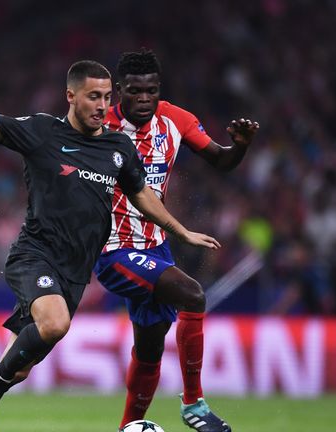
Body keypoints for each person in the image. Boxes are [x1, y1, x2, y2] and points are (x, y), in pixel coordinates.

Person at [0, 41, 221, 432]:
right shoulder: (42, 131)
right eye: (94, 97)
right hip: (35, 256)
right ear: (71, 96)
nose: (102, 106)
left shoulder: (117, 147)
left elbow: (143, 196)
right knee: (56, 324)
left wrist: (180, 231)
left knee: (20, 366)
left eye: (107, 97)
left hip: (75, 273)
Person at [94, 48, 259, 432]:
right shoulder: (100, 125)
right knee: (193, 294)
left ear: (158, 89)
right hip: (114, 248)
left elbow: (221, 160)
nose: (144, 99)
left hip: (154, 246)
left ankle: (127, 427)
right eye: (135, 91)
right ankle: (193, 404)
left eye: (151, 90)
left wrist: (242, 147)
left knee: (150, 350)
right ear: (120, 91)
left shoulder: (175, 119)